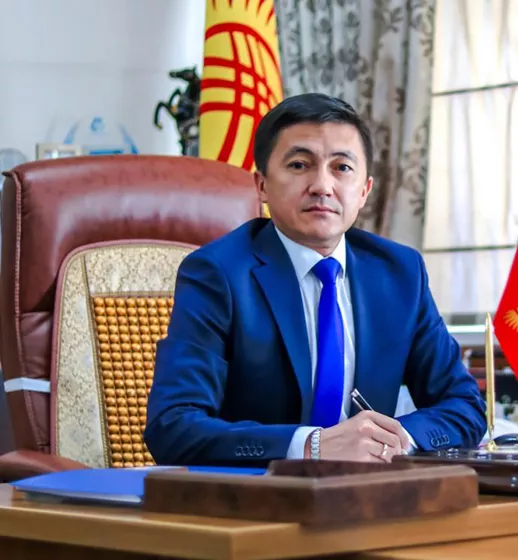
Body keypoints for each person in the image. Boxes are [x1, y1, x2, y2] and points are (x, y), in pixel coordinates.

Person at [144, 93, 486, 466]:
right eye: (299, 165)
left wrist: (392, 440)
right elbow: (173, 426)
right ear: (262, 185)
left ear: (364, 191)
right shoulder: (218, 274)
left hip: (371, 492)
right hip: (258, 493)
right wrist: (311, 446)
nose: (322, 185)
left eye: (342, 168)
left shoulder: (399, 273)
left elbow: (465, 405)